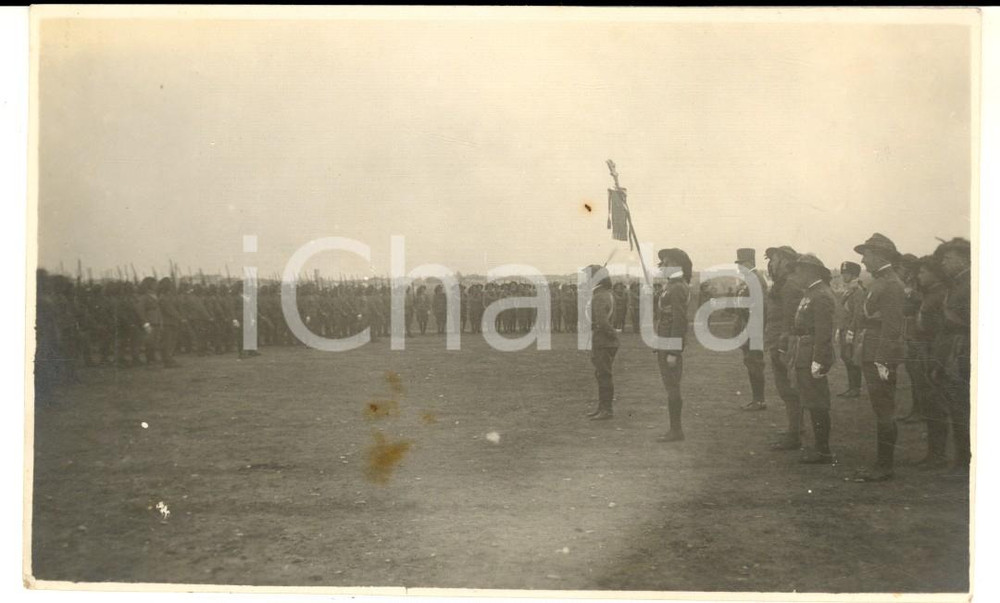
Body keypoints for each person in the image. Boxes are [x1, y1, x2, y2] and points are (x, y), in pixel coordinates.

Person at [851, 233, 906, 482]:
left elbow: (892, 327)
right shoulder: (881, 281)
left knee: (884, 409)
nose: (863, 261)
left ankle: (885, 466)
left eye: (866, 255)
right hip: (872, 350)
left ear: (879, 255)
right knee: (880, 408)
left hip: (879, 354)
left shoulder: (891, 284)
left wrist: (883, 359)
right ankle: (883, 462)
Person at [789, 254, 837, 464]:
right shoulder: (811, 292)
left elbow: (824, 331)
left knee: (817, 402)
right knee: (810, 400)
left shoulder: (821, 295)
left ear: (810, 271)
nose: (796, 274)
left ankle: (823, 450)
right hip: (803, 352)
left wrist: (819, 359)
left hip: (812, 354)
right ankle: (819, 447)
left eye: (799, 270)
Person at [933, 237, 972, 474]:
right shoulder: (957, 283)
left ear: (963, 259)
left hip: (963, 350)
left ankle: (965, 458)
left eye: (948, 258)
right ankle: (962, 456)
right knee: (957, 404)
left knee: (962, 405)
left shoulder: (971, 284)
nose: (944, 263)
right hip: (952, 349)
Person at [764, 246, 806, 450]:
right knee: (789, 389)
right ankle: (797, 427)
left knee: (788, 389)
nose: (771, 264)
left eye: (775, 259)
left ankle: (794, 434)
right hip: (777, 340)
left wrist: (783, 345)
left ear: (786, 262)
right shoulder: (783, 284)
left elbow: (790, 318)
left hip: (783, 342)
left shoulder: (789, 285)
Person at [913, 254, 950, 469]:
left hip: (934, 351)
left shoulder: (940, 294)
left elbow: (941, 329)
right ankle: (933, 452)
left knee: (936, 403)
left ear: (935, 273)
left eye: (923, 272)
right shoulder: (930, 294)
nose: (919, 275)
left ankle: (938, 454)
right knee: (929, 401)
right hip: (925, 350)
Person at [654, 248, 692, 442]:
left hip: (670, 343)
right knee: (670, 386)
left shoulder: (677, 287)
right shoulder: (671, 285)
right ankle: (674, 429)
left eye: (667, 263)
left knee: (672, 387)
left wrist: (674, 351)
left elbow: (679, 320)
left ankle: (676, 430)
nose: (663, 266)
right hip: (665, 341)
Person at [733, 248, 769, 411]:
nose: (739, 267)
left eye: (741, 263)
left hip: (753, 328)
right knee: (750, 362)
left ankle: (759, 400)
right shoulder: (748, 278)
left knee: (755, 363)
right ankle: (757, 399)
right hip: (746, 327)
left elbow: (759, 307)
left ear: (749, 262)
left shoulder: (755, 278)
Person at [585, 265, 619, 421]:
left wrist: (611, 334)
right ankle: (602, 407)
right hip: (606, 340)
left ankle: (606, 409)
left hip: (603, 341)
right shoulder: (605, 293)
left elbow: (602, 322)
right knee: (601, 374)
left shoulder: (599, 296)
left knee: (603, 375)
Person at [835, 261, 865, 398]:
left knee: (852, 358)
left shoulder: (857, 290)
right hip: (844, 328)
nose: (843, 276)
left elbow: (858, 313)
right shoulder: (849, 290)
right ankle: (851, 386)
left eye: (845, 273)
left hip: (851, 329)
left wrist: (851, 331)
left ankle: (855, 388)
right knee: (846, 357)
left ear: (853, 274)